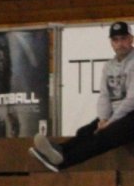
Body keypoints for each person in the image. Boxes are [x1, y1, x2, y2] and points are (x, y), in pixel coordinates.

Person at [31, 21, 134, 172]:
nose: (120, 44)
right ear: (111, 42)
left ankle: (62, 162)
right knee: (86, 131)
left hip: (130, 114)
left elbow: (131, 100)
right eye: (116, 40)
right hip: (118, 114)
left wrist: (110, 122)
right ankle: (58, 151)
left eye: (123, 39)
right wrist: (103, 119)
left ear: (131, 39)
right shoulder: (109, 66)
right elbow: (104, 96)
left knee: (105, 135)